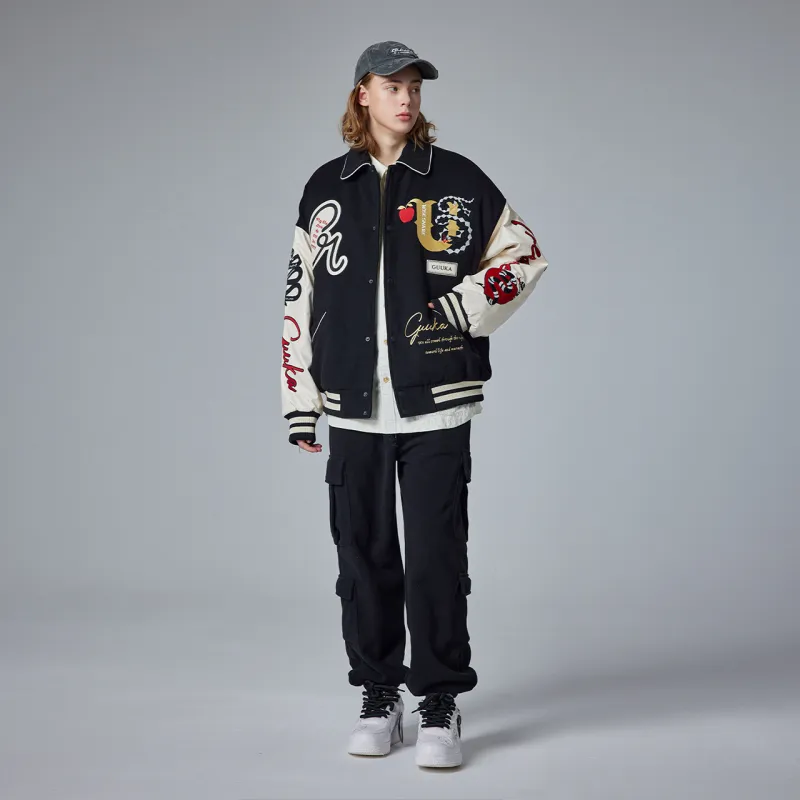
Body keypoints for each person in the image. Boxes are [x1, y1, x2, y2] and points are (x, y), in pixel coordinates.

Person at [280, 40, 548, 768]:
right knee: (363, 556)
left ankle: (438, 700)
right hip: (353, 407)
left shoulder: (456, 178)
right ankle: (379, 694)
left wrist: (464, 307)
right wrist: (300, 398)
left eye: (415, 88)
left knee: (435, 557)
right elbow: (299, 294)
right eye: (391, 86)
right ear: (362, 95)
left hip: (437, 404)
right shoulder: (325, 189)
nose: (406, 98)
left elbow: (523, 254)